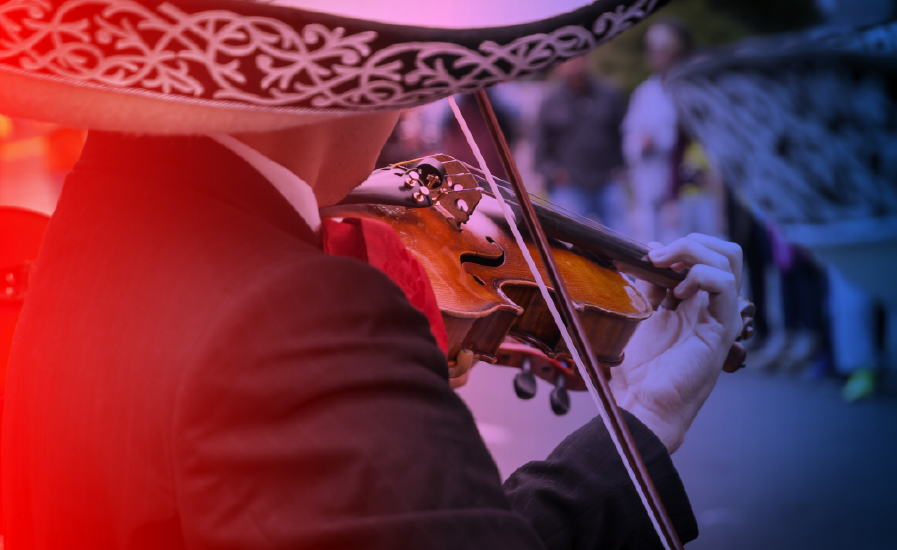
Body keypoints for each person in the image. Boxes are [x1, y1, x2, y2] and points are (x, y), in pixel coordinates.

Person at [0, 1, 745, 548]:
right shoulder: (294, 315)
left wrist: (641, 418)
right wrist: (641, 427)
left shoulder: (92, 224)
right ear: (340, 70)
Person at [535, 54, 628, 231]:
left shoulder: (609, 95)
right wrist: (555, 173)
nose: (575, 64)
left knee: (623, 240)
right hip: (569, 186)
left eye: (580, 58)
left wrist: (620, 168)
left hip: (607, 181)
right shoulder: (550, 102)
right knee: (570, 242)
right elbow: (540, 151)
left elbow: (622, 135)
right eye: (569, 60)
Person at [622, 19, 694, 245]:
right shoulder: (644, 92)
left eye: (663, 49)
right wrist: (640, 143)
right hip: (647, 183)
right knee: (647, 247)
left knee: (683, 246)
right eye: (654, 49)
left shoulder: (688, 89)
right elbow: (628, 137)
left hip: (684, 186)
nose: (658, 54)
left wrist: (660, 140)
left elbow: (688, 139)